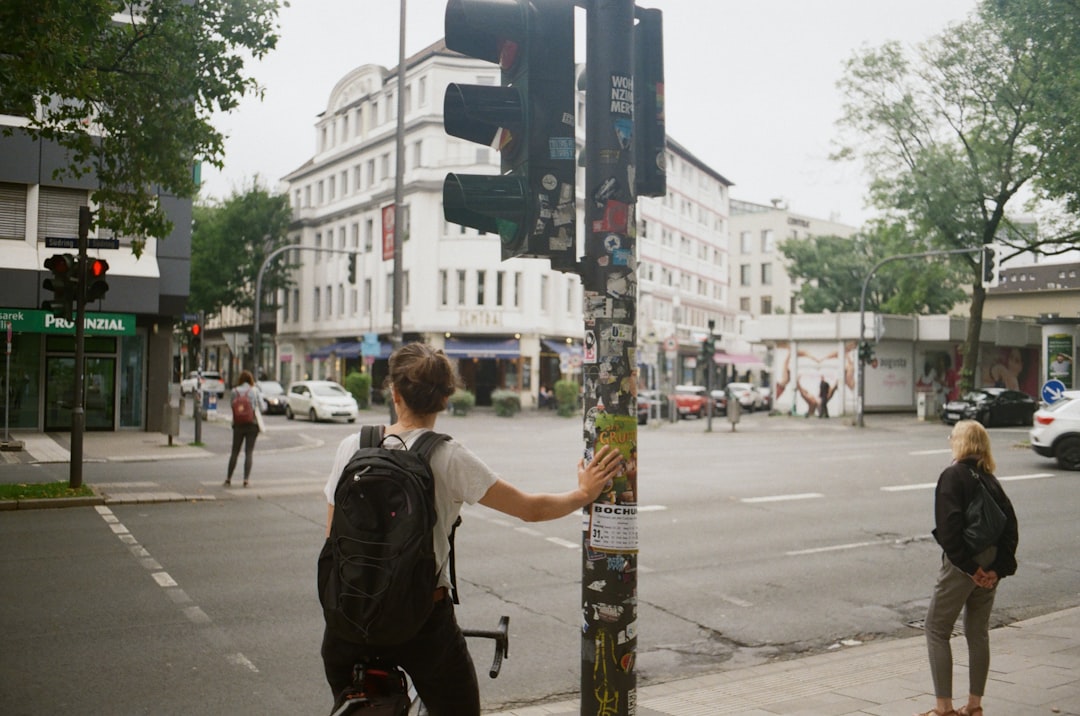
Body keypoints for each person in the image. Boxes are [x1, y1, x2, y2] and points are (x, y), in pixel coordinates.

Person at [320, 342, 621, 714]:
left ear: (393, 392)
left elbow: (333, 538)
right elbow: (530, 509)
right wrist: (583, 493)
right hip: (421, 623)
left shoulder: (353, 446)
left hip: (348, 619)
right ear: (446, 399)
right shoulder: (448, 456)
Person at [916, 420, 1018, 716]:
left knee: (936, 628)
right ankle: (974, 706)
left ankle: (943, 708)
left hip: (964, 565)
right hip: (992, 562)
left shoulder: (953, 476)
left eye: (953, 437)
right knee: (977, 632)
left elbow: (949, 532)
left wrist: (971, 569)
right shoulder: (991, 480)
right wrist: (996, 569)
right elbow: (1010, 528)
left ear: (960, 443)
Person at [224, 370, 261, 488]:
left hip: (238, 424)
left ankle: (228, 478)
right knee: (248, 452)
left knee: (234, 452)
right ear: (251, 380)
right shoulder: (254, 391)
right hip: (252, 424)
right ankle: (245, 479)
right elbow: (262, 406)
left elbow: (232, 406)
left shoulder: (234, 391)